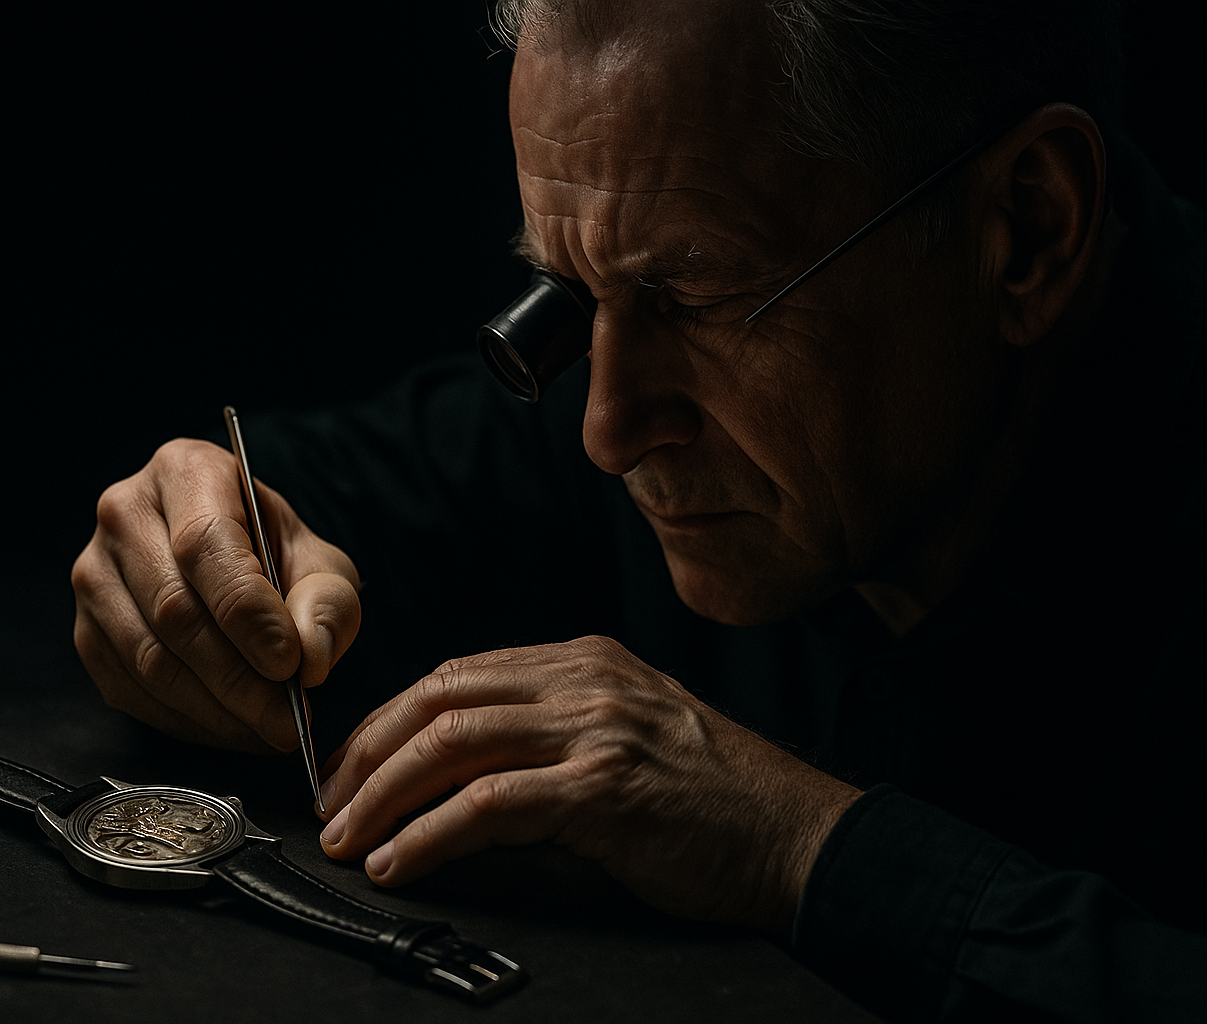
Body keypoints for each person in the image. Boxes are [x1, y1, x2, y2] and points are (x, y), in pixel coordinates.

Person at [71, 0, 1205, 1019]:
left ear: (1027, 229)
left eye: (697, 296)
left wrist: (798, 841)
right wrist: (200, 548)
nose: (606, 429)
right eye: (566, 298)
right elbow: (321, 494)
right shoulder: (646, 354)